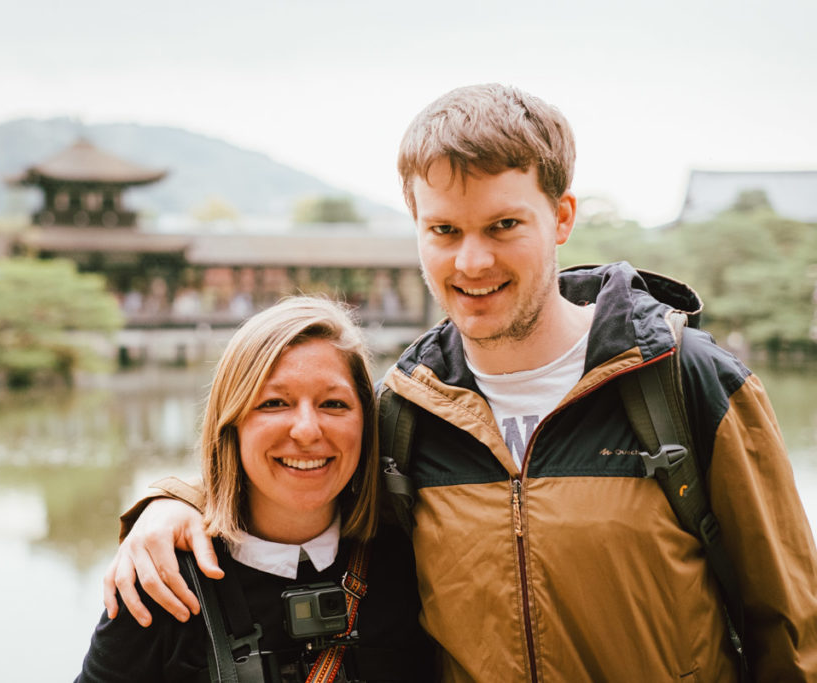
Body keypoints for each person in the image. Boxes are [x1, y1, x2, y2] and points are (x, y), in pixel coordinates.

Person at [102, 85, 817, 681]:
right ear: (415, 225)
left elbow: (794, 629)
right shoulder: (409, 406)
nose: (472, 261)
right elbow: (294, 474)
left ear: (561, 217)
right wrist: (167, 503)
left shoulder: (682, 383)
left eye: (504, 224)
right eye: (444, 230)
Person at [77, 296, 433, 682]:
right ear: (231, 423)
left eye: (333, 403)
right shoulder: (164, 580)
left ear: (366, 423)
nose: (307, 430)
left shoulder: (409, 561)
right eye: (275, 403)